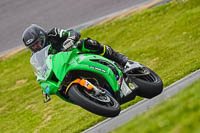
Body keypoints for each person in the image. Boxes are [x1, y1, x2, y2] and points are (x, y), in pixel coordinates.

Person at [22, 24, 129, 68]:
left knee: (86, 43)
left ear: (42, 35)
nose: (36, 47)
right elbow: (41, 72)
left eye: (37, 43)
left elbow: (73, 33)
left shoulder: (53, 33)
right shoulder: (37, 57)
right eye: (33, 46)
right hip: (64, 67)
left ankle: (118, 57)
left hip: (75, 53)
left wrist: (70, 40)